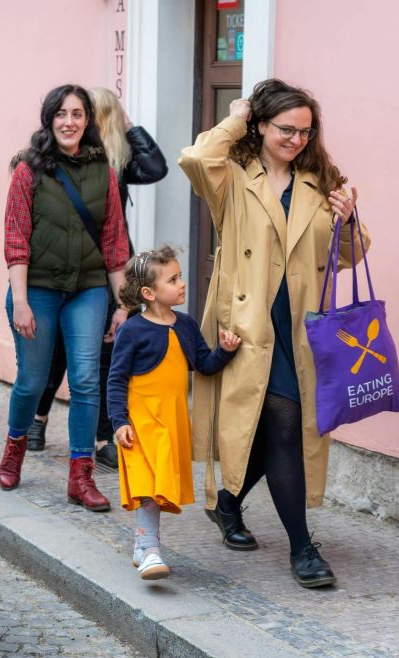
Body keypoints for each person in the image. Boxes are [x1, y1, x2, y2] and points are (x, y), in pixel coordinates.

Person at [179, 79, 370, 588]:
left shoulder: (320, 179)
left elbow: (351, 255)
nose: (296, 140)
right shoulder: (232, 175)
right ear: (261, 125)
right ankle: (303, 549)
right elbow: (196, 158)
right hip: (247, 323)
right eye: (286, 128)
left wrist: (350, 221)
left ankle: (226, 504)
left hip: (302, 324)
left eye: (305, 132)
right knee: (281, 421)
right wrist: (236, 114)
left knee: (270, 427)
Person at [0, 84, 130, 512]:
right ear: (49, 120)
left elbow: (114, 242)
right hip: (36, 289)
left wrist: (124, 303)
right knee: (32, 381)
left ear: (88, 120)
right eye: (61, 114)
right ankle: (14, 447)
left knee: (87, 380)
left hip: (87, 290)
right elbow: (15, 238)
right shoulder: (28, 170)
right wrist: (20, 301)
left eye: (77, 114)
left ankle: (81, 475)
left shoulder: (103, 171)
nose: (69, 122)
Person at [27, 86, 168, 468]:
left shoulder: (117, 163)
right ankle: (38, 420)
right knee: (59, 351)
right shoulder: (63, 160)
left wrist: (131, 127)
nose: (74, 121)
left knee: (106, 353)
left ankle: (104, 436)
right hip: (65, 268)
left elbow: (156, 168)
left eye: (85, 113)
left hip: (109, 268)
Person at [107, 247, 240, 580]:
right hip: (140, 422)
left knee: (158, 486)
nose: (182, 284)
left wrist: (224, 352)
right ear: (149, 294)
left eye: (180, 277)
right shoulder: (132, 330)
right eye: (173, 279)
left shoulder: (186, 325)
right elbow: (116, 378)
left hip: (172, 423)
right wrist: (119, 421)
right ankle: (151, 550)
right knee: (147, 488)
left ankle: (142, 546)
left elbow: (204, 366)